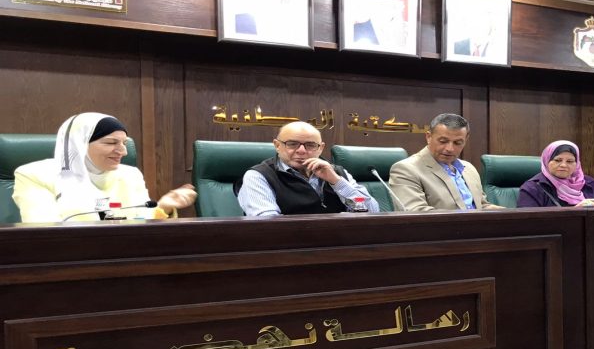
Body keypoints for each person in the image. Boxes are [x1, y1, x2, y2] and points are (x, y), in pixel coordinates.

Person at [13, 112, 196, 223]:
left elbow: (141, 222)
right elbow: (44, 232)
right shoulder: (34, 175)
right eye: (111, 142)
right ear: (79, 144)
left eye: (124, 143)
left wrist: (163, 206)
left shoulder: (130, 174)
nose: (123, 151)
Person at [236, 121, 379, 216]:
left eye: (310, 145)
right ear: (277, 146)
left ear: (320, 148)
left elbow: (373, 212)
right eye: (292, 144)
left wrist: (336, 181)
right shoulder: (259, 176)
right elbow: (268, 226)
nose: (302, 151)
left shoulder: (337, 172)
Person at [389, 113, 500, 211]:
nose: (450, 149)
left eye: (458, 143)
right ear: (429, 137)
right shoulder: (406, 169)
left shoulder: (469, 168)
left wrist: (509, 213)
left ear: (465, 140)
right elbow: (416, 213)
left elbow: (481, 206)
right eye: (443, 141)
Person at [517, 140, 594, 207]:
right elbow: (528, 223)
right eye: (558, 160)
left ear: (577, 164)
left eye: (570, 161)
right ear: (546, 161)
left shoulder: (591, 184)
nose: (563, 165)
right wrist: (575, 213)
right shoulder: (533, 188)